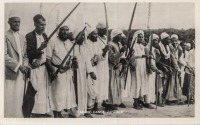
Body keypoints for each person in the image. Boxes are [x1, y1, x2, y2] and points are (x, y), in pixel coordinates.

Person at [46, 26, 77, 118]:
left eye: (67, 30)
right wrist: (52, 71)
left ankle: (60, 113)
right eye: (62, 30)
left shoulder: (69, 43)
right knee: (57, 94)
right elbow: (47, 59)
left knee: (65, 94)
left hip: (67, 72)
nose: (65, 32)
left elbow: (71, 57)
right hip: (57, 72)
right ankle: (57, 114)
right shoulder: (52, 41)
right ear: (58, 31)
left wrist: (72, 64)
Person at [26, 14, 51, 117]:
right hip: (34, 68)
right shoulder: (29, 36)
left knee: (43, 91)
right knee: (34, 90)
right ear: (35, 24)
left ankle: (42, 112)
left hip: (43, 68)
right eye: (41, 24)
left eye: (44, 25)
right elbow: (30, 54)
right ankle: (33, 113)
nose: (43, 27)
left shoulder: (45, 36)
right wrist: (40, 48)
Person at [5, 15, 30, 117]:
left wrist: (25, 65)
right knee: (9, 97)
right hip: (10, 71)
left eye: (19, 22)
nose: (17, 24)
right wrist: (18, 66)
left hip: (21, 73)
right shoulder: (5, 36)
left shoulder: (22, 37)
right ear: (9, 22)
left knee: (19, 97)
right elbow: (4, 56)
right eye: (15, 22)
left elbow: (25, 55)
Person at [70, 28, 97, 118]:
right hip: (74, 72)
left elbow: (87, 61)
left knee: (84, 91)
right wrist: (72, 63)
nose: (82, 37)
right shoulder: (71, 46)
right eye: (80, 35)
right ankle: (74, 112)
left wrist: (91, 72)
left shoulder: (84, 47)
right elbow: (69, 59)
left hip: (83, 72)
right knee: (74, 92)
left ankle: (84, 110)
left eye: (83, 35)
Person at [126, 30, 149, 110]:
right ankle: (135, 101)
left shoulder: (142, 46)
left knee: (142, 82)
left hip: (142, 66)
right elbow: (131, 56)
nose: (141, 38)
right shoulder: (133, 46)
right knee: (136, 83)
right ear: (136, 37)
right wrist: (142, 55)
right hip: (136, 66)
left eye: (142, 37)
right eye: (139, 37)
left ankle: (140, 100)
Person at [107, 29, 127, 110]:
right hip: (111, 67)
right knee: (111, 85)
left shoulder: (119, 44)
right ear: (115, 36)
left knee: (118, 85)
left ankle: (118, 101)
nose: (120, 37)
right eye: (119, 35)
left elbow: (122, 55)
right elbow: (111, 57)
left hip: (118, 66)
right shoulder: (110, 44)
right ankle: (110, 103)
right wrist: (120, 52)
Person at [165, 34, 186, 105]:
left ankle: (176, 98)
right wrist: (178, 68)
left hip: (176, 66)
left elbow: (179, 57)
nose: (174, 42)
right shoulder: (170, 47)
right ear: (171, 40)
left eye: (176, 40)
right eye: (173, 40)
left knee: (176, 82)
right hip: (171, 65)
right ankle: (169, 99)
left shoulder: (178, 47)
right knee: (172, 82)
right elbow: (173, 58)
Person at [145, 34, 162, 108]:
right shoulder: (147, 48)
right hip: (148, 70)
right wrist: (155, 69)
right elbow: (149, 61)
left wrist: (158, 53)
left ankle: (149, 101)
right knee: (148, 86)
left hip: (153, 70)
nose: (157, 42)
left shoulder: (154, 49)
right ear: (151, 40)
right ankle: (147, 102)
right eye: (155, 40)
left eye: (157, 40)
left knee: (151, 85)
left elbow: (156, 61)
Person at [156, 32, 172, 106]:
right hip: (160, 68)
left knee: (165, 85)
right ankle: (158, 101)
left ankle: (163, 100)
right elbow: (157, 59)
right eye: (168, 39)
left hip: (167, 68)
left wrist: (170, 67)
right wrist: (163, 67)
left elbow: (169, 59)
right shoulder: (158, 46)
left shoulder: (167, 47)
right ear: (163, 39)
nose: (169, 41)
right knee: (159, 85)